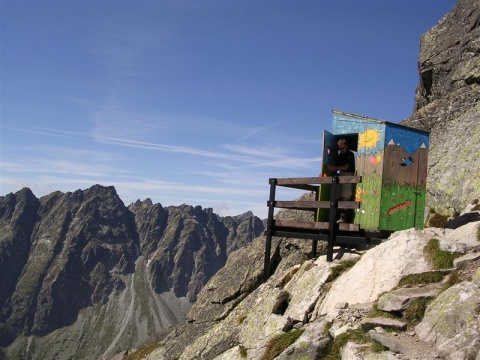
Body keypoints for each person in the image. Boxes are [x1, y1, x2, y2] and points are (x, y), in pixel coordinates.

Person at [327, 138, 356, 222]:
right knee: (338, 195)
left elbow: (346, 167)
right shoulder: (339, 156)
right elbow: (336, 167)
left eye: (342, 148)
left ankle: (344, 217)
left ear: (346, 146)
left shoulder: (350, 154)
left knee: (345, 195)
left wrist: (334, 168)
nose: (341, 150)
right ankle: (338, 216)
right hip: (341, 175)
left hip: (348, 175)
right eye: (339, 148)